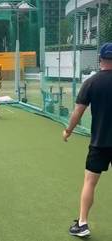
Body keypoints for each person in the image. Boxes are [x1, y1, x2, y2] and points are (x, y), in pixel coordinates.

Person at [63, 43, 112, 237]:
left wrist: (68, 131)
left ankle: (82, 224)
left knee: (90, 182)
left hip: (99, 143)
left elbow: (78, 112)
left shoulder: (91, 82)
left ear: (100, 59)